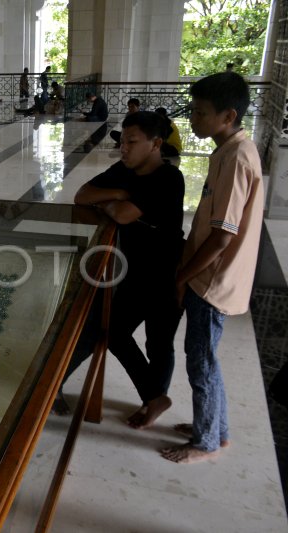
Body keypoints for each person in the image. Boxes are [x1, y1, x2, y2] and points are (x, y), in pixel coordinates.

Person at [162, 72, 264, 464]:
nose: (194, 120)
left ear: (228, 115)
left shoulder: (237, 158)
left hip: (213, 281)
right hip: (211, 276)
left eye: (202, 113)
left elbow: (222, 236)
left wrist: (182, 276)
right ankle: (214, 429)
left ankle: (205, 443)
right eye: (193, 111)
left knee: (200, 361)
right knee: (206, 358)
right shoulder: (229, 150)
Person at [59, 111, 185, 427]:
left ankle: (154, 399)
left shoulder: (168, 178)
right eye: (122, 142)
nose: (124, 149)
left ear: (156, 144)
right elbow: (82, 196)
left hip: (166, 275)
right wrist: (118, 193)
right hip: (131, 272)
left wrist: (116, 204)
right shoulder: (124, 171)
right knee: (109, 330)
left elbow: (124, 215)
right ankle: (155, 397)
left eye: (132, 142)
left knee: (157, 343)